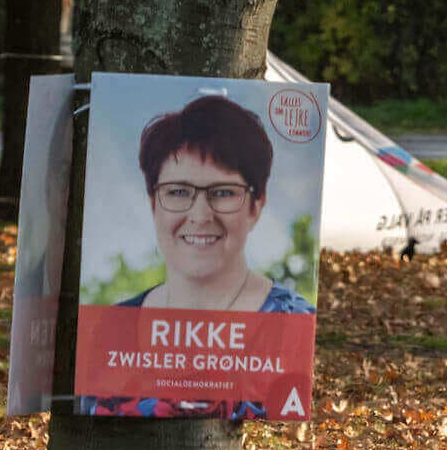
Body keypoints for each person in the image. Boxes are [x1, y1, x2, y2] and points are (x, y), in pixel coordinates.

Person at [121, 94, 313, 313]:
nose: (200, 216)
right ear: (153, 204)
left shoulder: (295, 321)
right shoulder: (113, 325)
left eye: (222, 192)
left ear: (257, 205)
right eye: (179, 191)